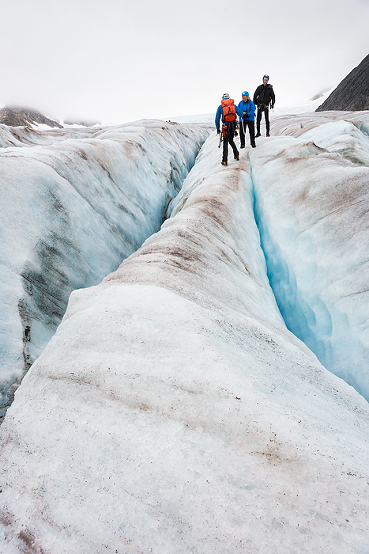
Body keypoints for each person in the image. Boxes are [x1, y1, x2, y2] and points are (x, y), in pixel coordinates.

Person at [215, 93, 243, 166]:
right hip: (233, 125)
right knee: (231, 140)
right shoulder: (233, 105)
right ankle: (236, 154)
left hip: (226, 126)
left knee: (225, 143)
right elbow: (241, 113)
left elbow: (217, 119)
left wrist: (218, 129)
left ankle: (224, 160)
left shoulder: (221, 107)